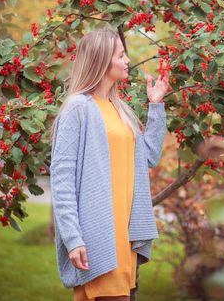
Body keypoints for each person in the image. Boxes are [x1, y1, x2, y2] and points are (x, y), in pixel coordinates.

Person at [49, 27, 170, 301]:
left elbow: (149, 156)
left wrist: (156, 106)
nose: (127, 60)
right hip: (98, 232)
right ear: (103, 60)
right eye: (121, 55)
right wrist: (72, 237)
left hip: (123, 233)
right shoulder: (78, 108)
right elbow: (62, 179)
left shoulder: (120, 108)